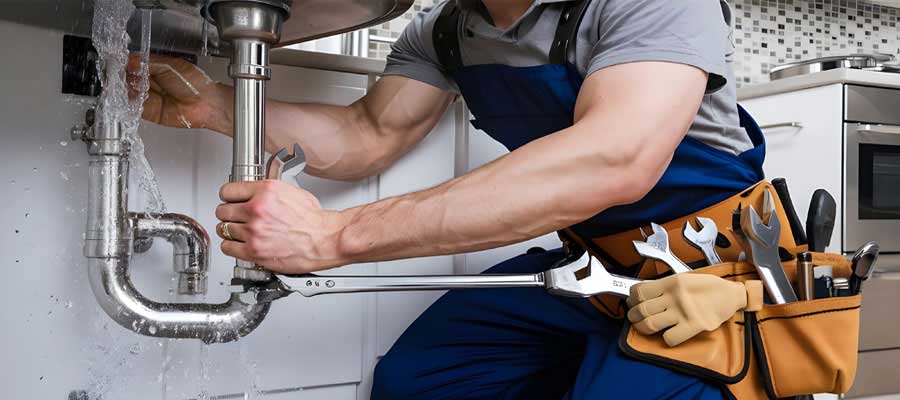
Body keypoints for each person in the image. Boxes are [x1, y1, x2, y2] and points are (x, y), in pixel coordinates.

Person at [135, 0, 766, 398]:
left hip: (710, 276)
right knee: (420, 383)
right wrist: (212, 104)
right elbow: (369, 133)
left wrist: (333, 237)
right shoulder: (443, 32)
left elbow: (613, 158)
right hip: (596, 264)